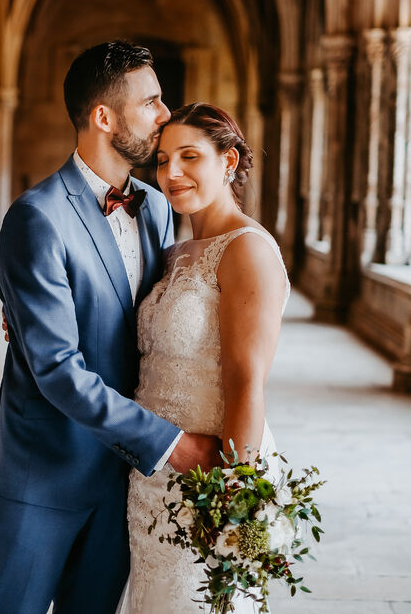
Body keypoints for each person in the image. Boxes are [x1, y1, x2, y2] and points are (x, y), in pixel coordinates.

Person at [0, 41, 221, 614]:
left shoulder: (158, 208)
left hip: (125, 480)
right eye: (152, 102)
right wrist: (172, 445)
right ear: (104, 117)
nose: (165, 115)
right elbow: (58, 371)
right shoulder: (37, 218)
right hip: (46, 470)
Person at [123, 102, 290, 613]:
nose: (171, 174)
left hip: (208, 476)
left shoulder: (247, 250)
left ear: (229, 162)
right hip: (151, 476)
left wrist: (235, 500)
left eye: (190, 157)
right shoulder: (172, 252)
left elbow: (246, 382)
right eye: (162, 159)